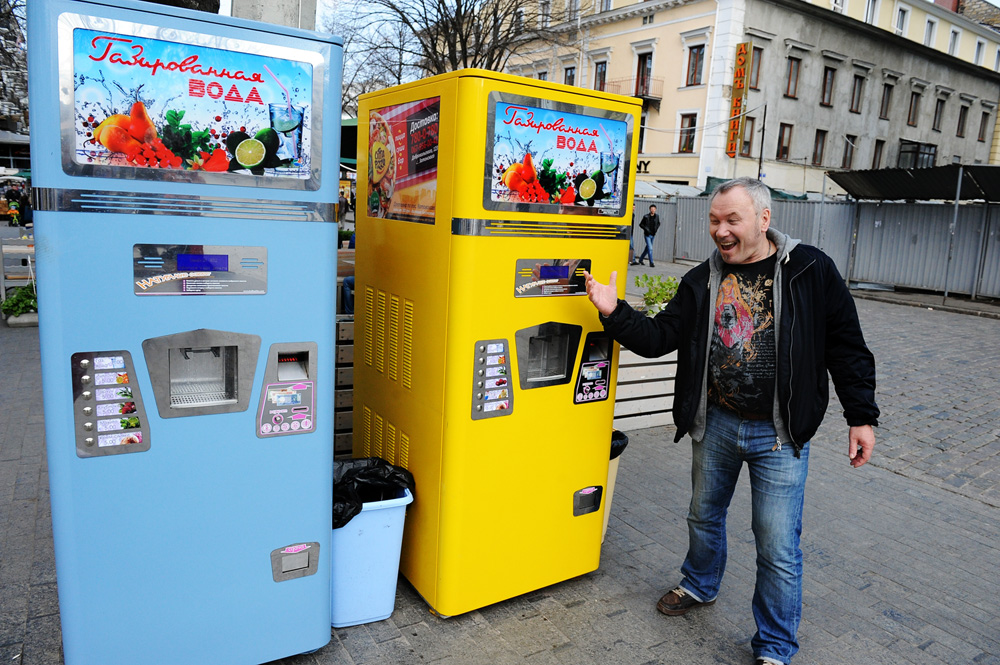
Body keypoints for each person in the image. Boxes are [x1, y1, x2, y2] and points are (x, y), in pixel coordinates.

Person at [583, 177, 879, 665]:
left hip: (779, 434)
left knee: (777, 545)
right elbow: (661, 337)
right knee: (703, 515)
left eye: (732, 220)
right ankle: (700, 584)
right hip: (716, 423)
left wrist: (861, 416)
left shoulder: (810, 270)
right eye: (714, 220)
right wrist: (615, 312)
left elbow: (846, 346)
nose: (720, 230)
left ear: (764, 219)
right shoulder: (702, 278)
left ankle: (775, 647)